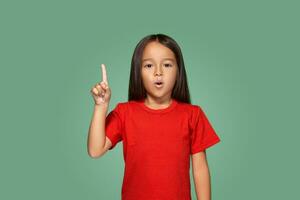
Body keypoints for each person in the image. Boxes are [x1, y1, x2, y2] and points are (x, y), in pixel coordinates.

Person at [87, 33, 221, 200]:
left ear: (178, 71)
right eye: (149, 66)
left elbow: (200, 168)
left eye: (167, 65)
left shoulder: (193, 114)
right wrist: (101, 106)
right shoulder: (125, 113)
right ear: (138, 71)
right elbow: (95, 150)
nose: (158, 72)